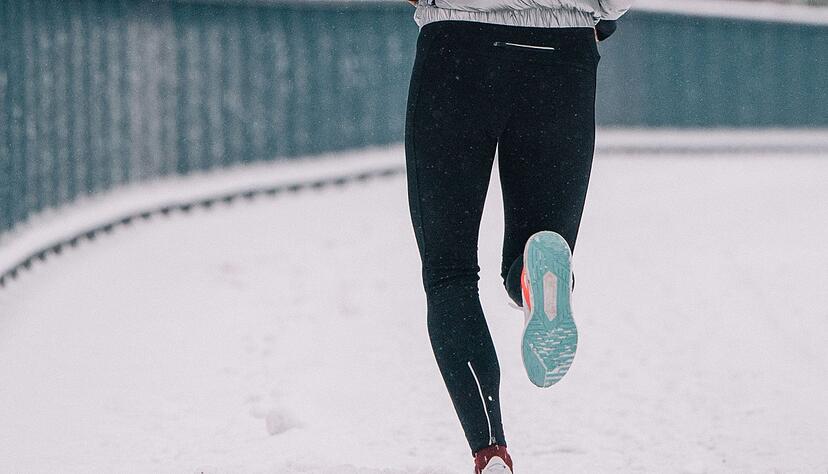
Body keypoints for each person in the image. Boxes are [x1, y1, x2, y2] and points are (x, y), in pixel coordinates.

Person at [403, 1, 632, 472]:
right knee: (542, 241)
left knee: (450, 274)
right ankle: (532, 277)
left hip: (457, 47)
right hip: (563, 55)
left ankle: (490, 450)